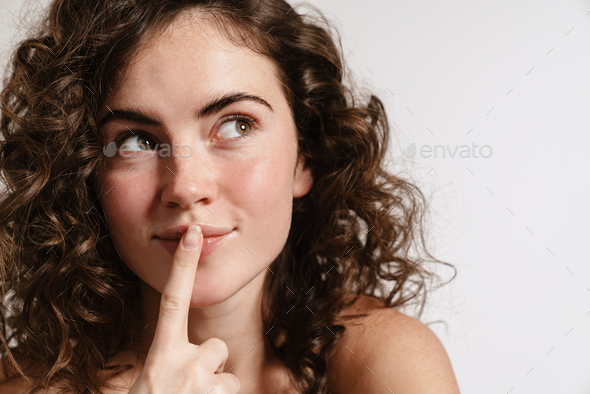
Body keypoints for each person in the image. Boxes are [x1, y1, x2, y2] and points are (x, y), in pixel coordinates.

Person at [0, 0, 461, 393]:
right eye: (135, 140)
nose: (186, 186)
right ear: (86, 174)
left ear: (305, 158)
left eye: (237, 125)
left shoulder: (382, 360)